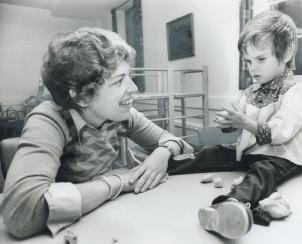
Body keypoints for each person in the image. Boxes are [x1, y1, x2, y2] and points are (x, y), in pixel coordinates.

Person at [0, 27, 192, 238]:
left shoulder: (122, 114)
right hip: (67, 230)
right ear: (82, 96)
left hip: (109, 219)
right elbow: (20, 213)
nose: (134, 88)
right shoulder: (49, 119)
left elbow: (181, 145)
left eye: (128, 76)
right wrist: (119, 182)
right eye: (119, 81)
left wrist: (163, 152)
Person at [186, 10, 302, 239]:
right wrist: (228, 122)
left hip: (283, 157)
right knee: (209, 152)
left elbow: (280, 132)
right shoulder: (251, 91)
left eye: (260, 59)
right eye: (248, 61)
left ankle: (229, 206)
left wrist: (245, 122)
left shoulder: (298, 91)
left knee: (261, 173)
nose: (252, 68)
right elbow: (239, 122)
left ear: (286, 53)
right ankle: (162, 165)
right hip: (253, 152)